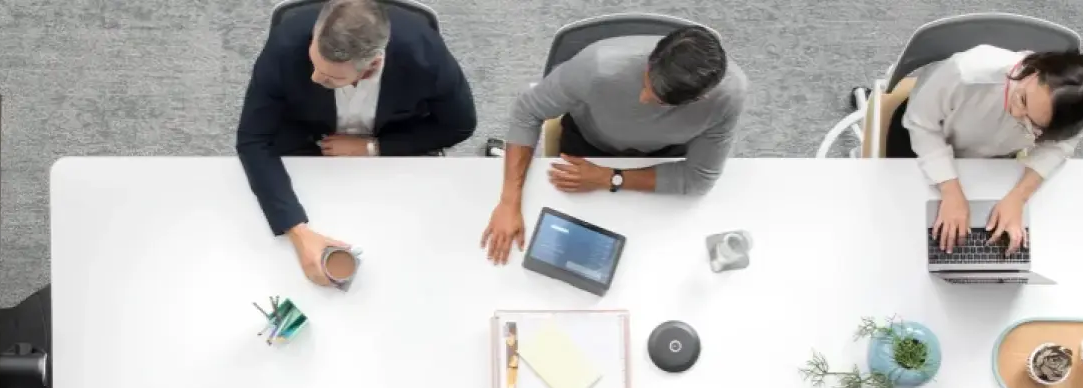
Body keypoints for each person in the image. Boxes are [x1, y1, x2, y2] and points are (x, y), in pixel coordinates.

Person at [237, 0, 476, 285]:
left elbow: (460, 125)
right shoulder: (286, 45)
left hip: (391, 152)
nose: (314, 77)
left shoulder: (426, 57)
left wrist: (374, 148)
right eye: (314, 65)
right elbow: (253, 138)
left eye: (329, 78)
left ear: (371, 66)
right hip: (307, 144)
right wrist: (297, 231)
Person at [482, 26, 748, 264]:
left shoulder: (728, 96)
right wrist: (509, 202)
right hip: (588, 145)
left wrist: (611, 178)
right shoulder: (596, 67)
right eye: (646, 84)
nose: (643, 99)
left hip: (661, 157)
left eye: (659, 101)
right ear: (651, 59)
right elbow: (527, 111)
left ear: (700, 98)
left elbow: (699, 179)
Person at [897, 47, 1083, 255]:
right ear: (1034, 70)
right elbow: (921, 124)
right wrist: (950, 190)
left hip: (993, 161)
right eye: (1022, 99)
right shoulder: (967, 73)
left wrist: (1017, 198)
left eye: (1033, 124)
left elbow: (1059, 146)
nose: (1017, 113)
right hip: (925, 139)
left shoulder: (1071, 113)